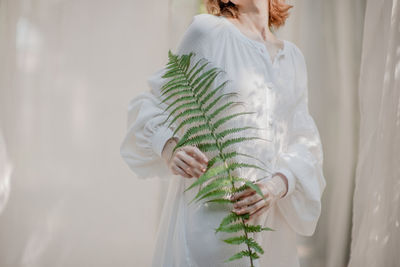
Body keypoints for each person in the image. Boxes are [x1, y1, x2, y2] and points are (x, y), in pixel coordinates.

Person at [120, 0, 326, 266]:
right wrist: (171, 148)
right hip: (210, 224)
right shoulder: (207, 32)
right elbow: (156, 101)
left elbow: (304, 142)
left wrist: (276, 186)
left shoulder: (294, 58)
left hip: (271, 232)